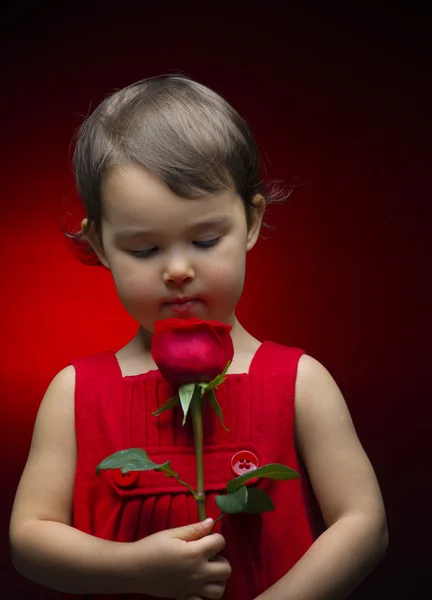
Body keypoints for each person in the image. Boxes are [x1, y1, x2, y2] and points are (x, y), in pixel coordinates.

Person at [9, 75, 388, 600]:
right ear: (99, 243)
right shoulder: (75, 393)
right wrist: (133, 566)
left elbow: (363, 522)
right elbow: (29, 539)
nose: (179, 270)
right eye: (144, 250)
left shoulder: (299, 380)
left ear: (251, 221)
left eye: (206, 240)